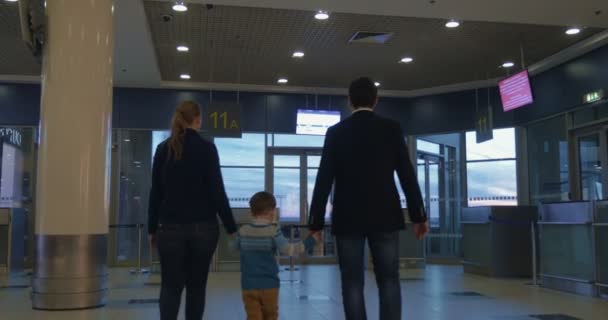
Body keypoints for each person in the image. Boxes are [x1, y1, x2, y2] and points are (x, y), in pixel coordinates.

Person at [308, 77, 429, 320]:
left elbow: (323, 179)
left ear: (349, 102)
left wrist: (315, 222)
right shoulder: (391, 129)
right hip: (385, 216)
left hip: (347, 218)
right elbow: (407, 175)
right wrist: (419, 215)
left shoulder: (335, 133)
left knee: (352, 283)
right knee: (389, 281)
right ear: (376, 100)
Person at [148, 101, 238, 320]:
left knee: (170, 286)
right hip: (204, 229)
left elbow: (156, 193)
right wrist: (230, 227)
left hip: (169, 228)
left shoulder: (163, 149)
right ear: (198, 119)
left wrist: (152, 228)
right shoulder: (207, 148)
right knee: (197, 287)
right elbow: (218, 191)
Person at [233, 191, 318, 320]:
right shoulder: (274, 231)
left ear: (252, 211)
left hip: (248, 285)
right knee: (271, 316)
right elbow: (289, 250)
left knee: (253, 316)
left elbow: (233, 248)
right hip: (269, 285)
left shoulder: (243, 230)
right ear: (272, 212)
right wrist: (310, 241)